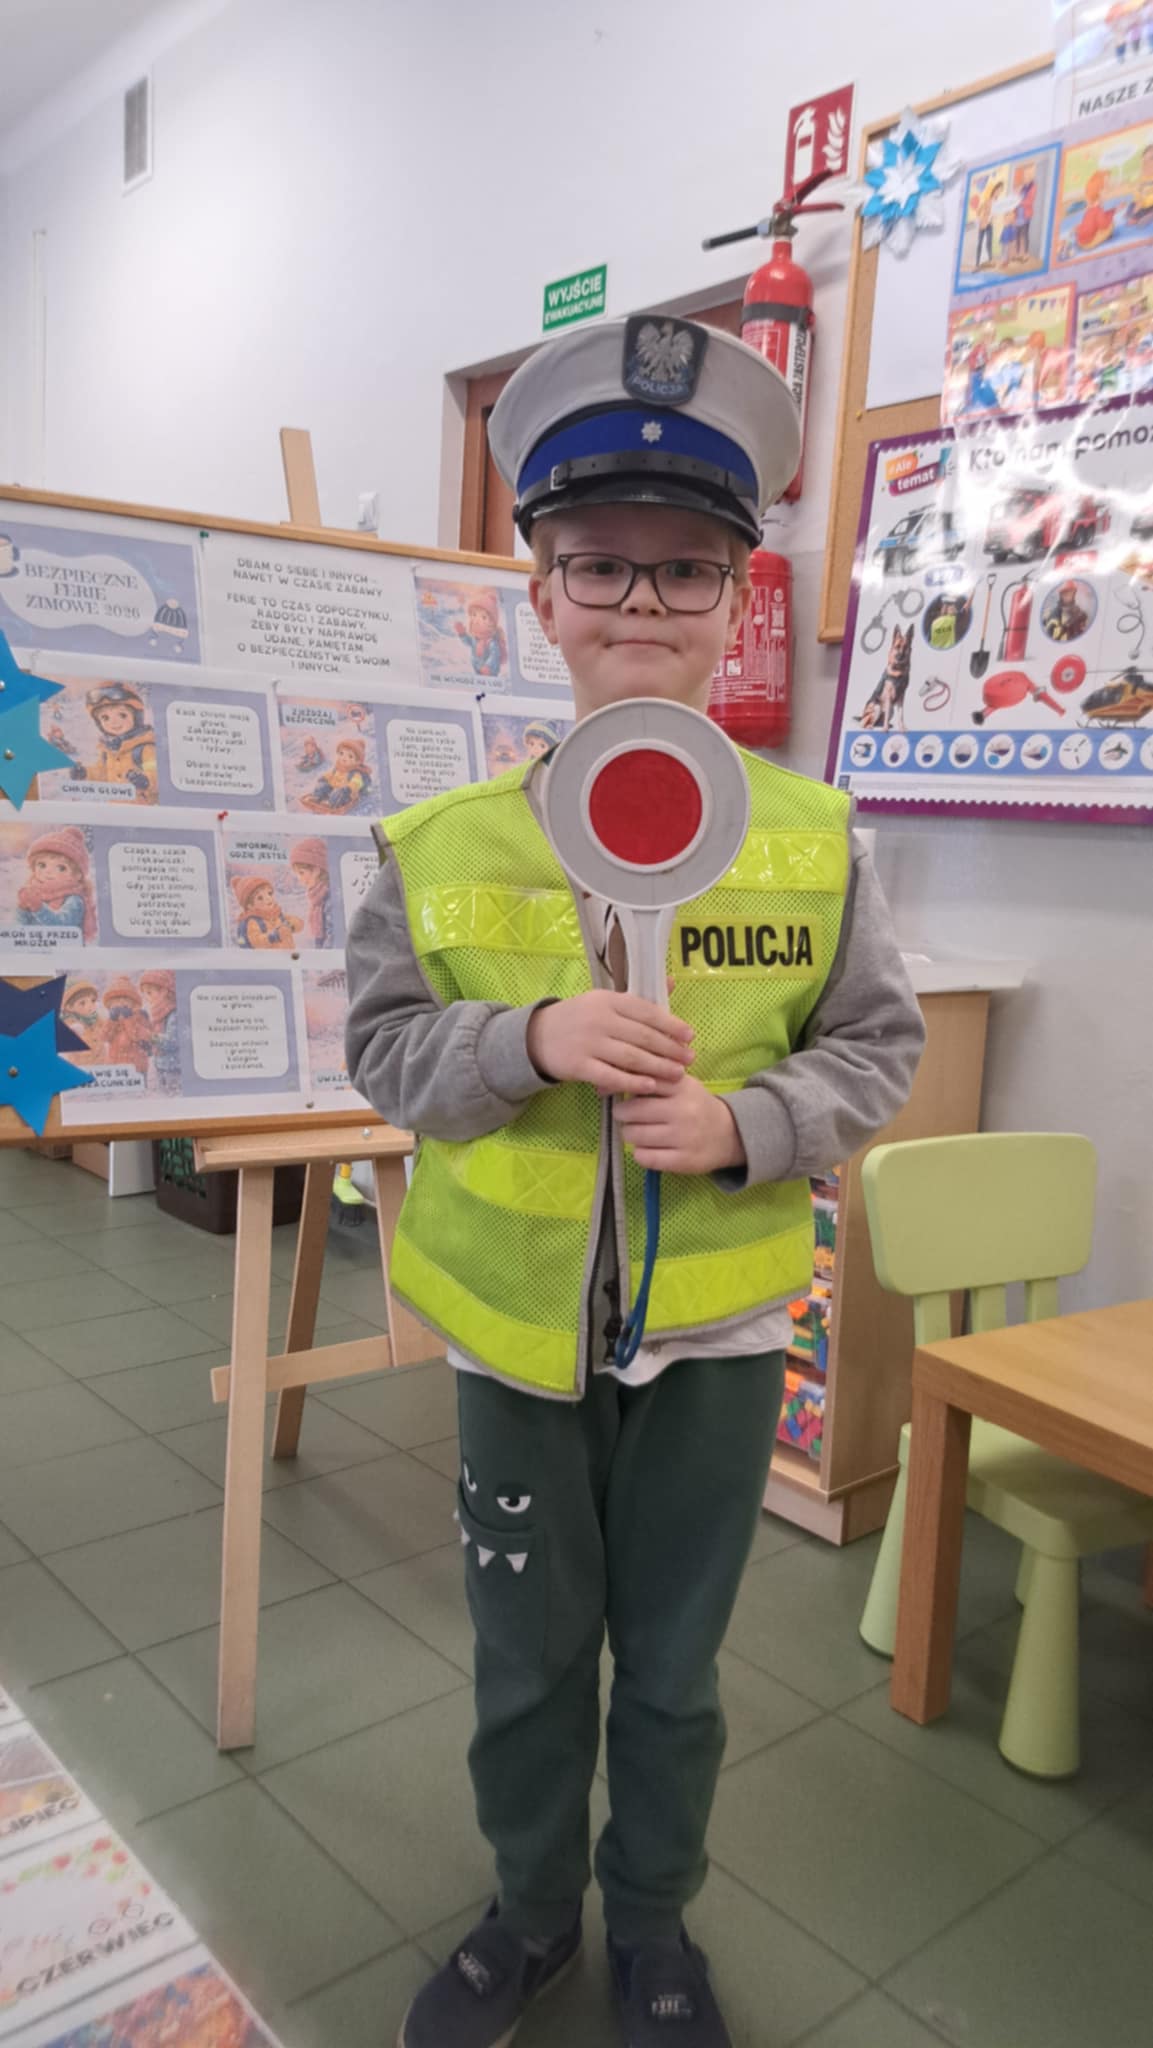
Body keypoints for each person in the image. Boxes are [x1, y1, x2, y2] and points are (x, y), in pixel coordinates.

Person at [344, 315, 925, 2048]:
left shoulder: (813, 841)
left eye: (685, 569)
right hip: (515, 1344)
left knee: (673, 1670)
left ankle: (653, 1922)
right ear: (541, 595)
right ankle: (530, 1913)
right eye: (599, 564)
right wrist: (526, 1038)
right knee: (528, 1656)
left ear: (738, 599)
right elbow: (384, 1053)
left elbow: (874, 1048)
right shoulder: (441, 848)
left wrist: (753, 1126)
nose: (640, 601)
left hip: (718, 1341)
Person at [50, 682, 157, 802]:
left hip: (143, 808)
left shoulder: (144, 748)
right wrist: (85, 773)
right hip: (114, 808)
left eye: (122, 715)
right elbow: (101, 773)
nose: (114, 722)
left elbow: (157, 774)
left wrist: (145, 780)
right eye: (105, 718)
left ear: (137, 717)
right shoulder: (108, 751)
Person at [16, 825, 97, 938]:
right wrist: (22, 909)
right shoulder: (34, 892)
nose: (48, 872)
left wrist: (38, 907)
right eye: (42, 865)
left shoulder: (74, 900)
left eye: (61, 868)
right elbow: (21, 928)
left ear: (77, 875)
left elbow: (61, 925)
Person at [301, 735, 371, 813]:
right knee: (323, 785)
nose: (344, 757)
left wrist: (349, 787)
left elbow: (356, 782)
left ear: (357, 761)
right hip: (333, 788)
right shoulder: (338, 767)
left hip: (346, 793)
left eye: (350, 756)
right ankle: (316, 797)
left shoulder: (356, 772)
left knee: (339, 793)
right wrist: (325, 777)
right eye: (341, 753)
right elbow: (332, 774)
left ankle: (330, 803)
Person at [232, 873, 302, 949]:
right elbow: (256, 941)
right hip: (267, 956)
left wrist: (290, 926)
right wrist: (274, 936)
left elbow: (299, 922)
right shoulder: (253, 921)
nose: (268, 898)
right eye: (260, 898)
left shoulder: (277, 915)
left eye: (269, 893)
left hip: (287, 953)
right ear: (250, 906)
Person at [139, 968, 180, 1092]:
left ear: (164, 991)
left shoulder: (173, 1014)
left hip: (173, 1068)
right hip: (160, 1065)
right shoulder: (157, 1012)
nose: (147, 998)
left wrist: (151, 1036)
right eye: (144, 993)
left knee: (173, 1095)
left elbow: (173, 1041)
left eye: (149, 992)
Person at [100, 979, 153, 1074]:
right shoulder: (111, 1019)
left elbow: (137, 1036)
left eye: (125, 999)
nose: (121, 1002)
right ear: (110, 1004)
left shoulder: (141, 1016)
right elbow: (104, 1037)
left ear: (133, 1002)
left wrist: (129, 1019)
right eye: (116, 1000)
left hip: (136, 1066)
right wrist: (111, 1021)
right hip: (116, 1066)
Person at [289, 836, 333, 946]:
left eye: (301, 873)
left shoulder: (329, 898)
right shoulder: (318, 897)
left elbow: (332, 939)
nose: (299, 878)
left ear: (317, 870)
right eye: (297, 874)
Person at [455, 588, 508, 677]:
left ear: (492, 623)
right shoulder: (475, 638)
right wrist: (462, 634)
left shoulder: (491, 642)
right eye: (474, 615)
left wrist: (488, 667)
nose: (476, 621)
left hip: (490, 672)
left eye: (483, 617)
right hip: (477, 669)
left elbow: (494, 656)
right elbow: (468, 642)